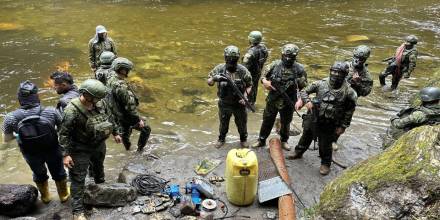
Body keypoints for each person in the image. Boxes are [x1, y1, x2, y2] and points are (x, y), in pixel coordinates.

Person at [58, 79, 122, 220]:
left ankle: (101, 188)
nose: (98, 101)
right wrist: (65, 155)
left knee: (99, 167)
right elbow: (63, 134)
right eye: (96, 98)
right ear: (86, 94)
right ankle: (78, 211)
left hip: (98, 144)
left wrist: (115, 133)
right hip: (80, 148)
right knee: (78, 179)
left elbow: (109, 117)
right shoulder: (72, 110)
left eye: (99, 98)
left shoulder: (100, 102)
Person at [2, 81, 69, 204]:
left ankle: (45, 197)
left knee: (38, 173)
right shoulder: (51, 111)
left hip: (30, 152)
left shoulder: (10, 118)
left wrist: (18, 136)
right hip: (52, 149)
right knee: (59, 171)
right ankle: (64, 195)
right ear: (37, 96)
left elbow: (6, 139)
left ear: (19, 99)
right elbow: (63, 131)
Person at [288, 62, 357, 175]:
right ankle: (298, 152)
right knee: (306, 135)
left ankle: (325, 163)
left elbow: (350, 110)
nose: (335, 74)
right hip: (313, 116)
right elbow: (304, 91)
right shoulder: (320, 84)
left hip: (331, 122)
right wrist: (307, 101)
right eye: (333, 71)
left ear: (344, 74)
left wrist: (343, 126)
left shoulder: (349, 92)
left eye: (338, 73)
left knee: (325, 143)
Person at [251, 43, 307, 150]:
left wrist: (301, 101)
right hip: (273, 98)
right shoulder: (274, 65)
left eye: (291, 57)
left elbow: (304, 88)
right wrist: (265, 82)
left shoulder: (299, 69)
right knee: (267, 120)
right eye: (286, 56)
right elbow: (262, 76)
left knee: (286, 122)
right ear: (282, 54)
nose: (288, 58)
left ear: (295, 57)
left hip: (289, 100)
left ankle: (284, 141)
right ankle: (261, 140)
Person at [207, 45, 253, 148]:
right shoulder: (219, 69)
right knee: (223, 123)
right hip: (224, 103)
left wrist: (245, 97)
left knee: (242, 123)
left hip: (239, 104)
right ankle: (221, 139)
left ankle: (243, 139)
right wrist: (214, 78)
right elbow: (209, 82)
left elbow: (250, 85)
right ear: (225, 58)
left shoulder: (243, 71)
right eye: (229, 60)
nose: (231, 62)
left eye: (234, 60)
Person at [106, 57, 151, 152]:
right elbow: (129, 106)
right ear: (122, 70)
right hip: (124, 115)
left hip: (116, 113)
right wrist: (138, 119)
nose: (129, 72)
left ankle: (128, 149)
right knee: (146, 129)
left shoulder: (110, 78)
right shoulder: (120, 86)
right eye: (127, 70)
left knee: (125, 134)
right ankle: (139, 151)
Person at [242, 31, 268, 106]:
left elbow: (244, 68)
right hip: (258, 71)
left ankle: (247, 105)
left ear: (250, 40)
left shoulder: (250, 53)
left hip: (250, 74)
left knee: (247, 88)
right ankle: (252, 102)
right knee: (254, 88)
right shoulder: (264, 48)